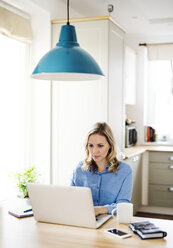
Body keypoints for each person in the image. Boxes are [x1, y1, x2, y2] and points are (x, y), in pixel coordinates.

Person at [71, 122, 133, 216]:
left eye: (100, 145)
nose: (94, 151)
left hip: (111, 223)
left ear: (110, 146)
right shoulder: (80, 170)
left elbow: (123, 206)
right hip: (83, 220)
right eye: (90, 145)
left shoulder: (124, 171)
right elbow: (70, 199)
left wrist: (99, 210)